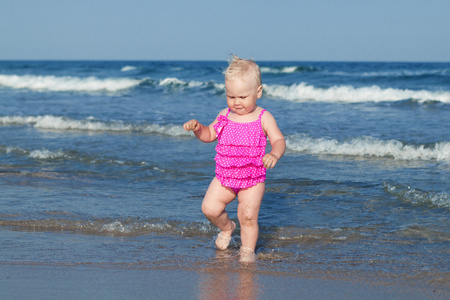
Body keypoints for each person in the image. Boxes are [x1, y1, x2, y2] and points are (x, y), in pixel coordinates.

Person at [183, 55, 285, 262]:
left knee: (248, 216)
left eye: (242, 97)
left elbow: (279, 139)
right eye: (231, 97)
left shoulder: (263, 117)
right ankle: (228, 228)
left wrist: (274, 153)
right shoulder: (225, 115)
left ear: (258, 92)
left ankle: (247, 252)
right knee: (209, 209)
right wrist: (198, 128)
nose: (236, 102)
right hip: (225, 175)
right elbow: (209, 135)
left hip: (252, 177)